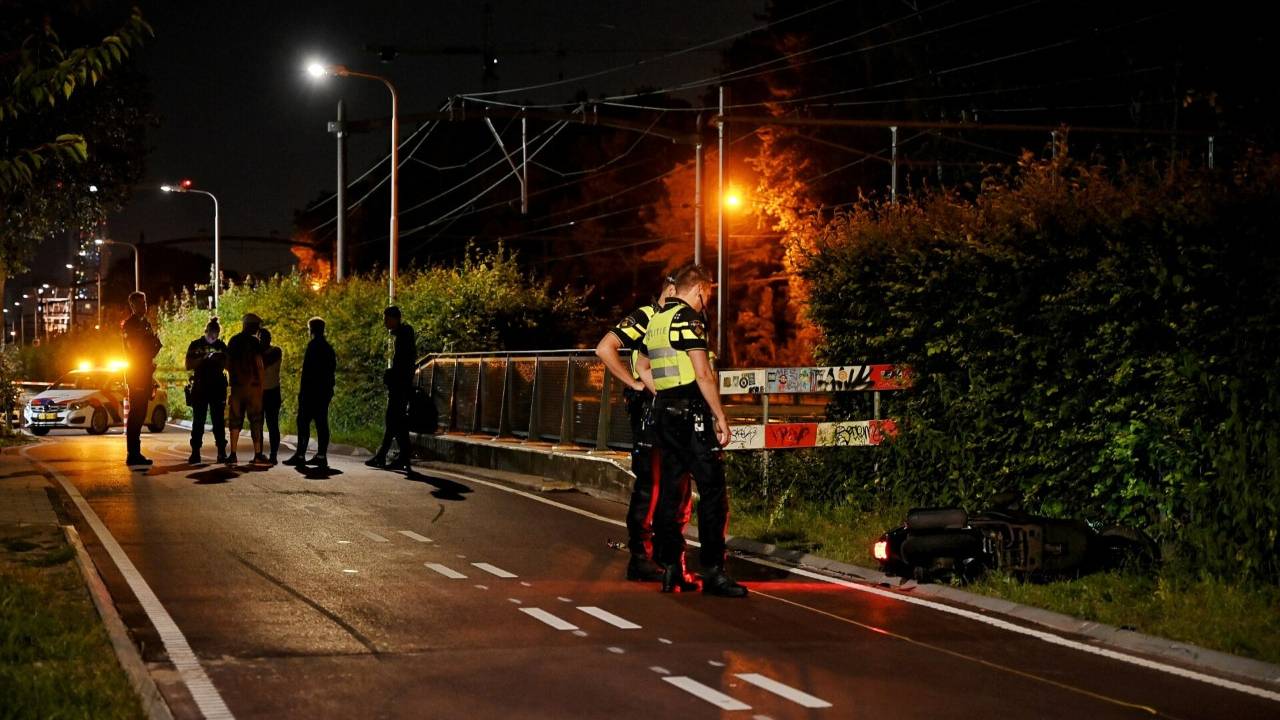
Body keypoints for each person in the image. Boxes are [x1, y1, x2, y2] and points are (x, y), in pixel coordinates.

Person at [637, 264, 747, 597]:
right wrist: (721, 416)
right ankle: (714, 571)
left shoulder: (656, 321)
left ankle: (672, 568)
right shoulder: (688, 319)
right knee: (713, 494)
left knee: (672, 494)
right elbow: (703, 374)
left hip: (664, 416)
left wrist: (662, 394)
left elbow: (642, 366)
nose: (706, 302)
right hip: (692, 416)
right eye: (707, 294)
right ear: (700, 289)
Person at [595, 274, 693, 583]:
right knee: (650, 485)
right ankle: (641, 556)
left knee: (676, 486)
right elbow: (605, 348)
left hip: (675, 412)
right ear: (672, 289)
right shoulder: (647, 316)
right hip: (650, 414)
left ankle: (667, 556)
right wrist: (634, 384)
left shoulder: (680, 320)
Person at [366, 306, 416, 471]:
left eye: (386, 318)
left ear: (395, 318)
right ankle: (402, 457)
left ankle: (384, 456)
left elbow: (403, 363)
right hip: (401, 385)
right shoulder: (403, 335)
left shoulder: (403, 336)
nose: (384, 322)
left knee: (393, 420)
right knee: (398, 422)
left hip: (400, 387)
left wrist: (393, 375)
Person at [283, 317, 337, 469]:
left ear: (311, 330)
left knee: (303, 422)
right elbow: (331, 371)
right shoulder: (328, 348)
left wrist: (303, 393)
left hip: (311, 392)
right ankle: (321, 455)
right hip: (324, 392)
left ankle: (300, 454)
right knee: (321, 423)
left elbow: (307, 373)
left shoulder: (313, 346)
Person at [120, 291, 162, 467]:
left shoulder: (145, 323)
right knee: (136, 413)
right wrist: (150, 343)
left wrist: (155, 345)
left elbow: (150, 346)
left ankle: (136, 452)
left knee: (142, 412)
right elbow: (136, 348)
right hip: (136, 372)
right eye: (140, 303)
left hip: (145, 371)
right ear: (133, 305)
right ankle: (133, 453)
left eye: (145, 303)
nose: (144, 306)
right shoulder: (130, 325)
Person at [225, 313, 268, 465]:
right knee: (255, 420)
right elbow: (259, 365)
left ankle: (233, 454)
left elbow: (227, 363)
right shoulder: (255, 343)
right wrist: (261, 386)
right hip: (253, 388)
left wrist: (234, 380)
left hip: (237, 388)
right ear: (253, 327)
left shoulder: (234, 341)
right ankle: (257, 454)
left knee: (235, 420)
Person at [184, 317, 228, 464]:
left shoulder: (221, 346)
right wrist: (202, 359)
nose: (213, 336)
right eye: (211, 332)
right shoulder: (196, 345)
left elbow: (229, 364)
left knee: (218, 422)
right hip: (200, 387)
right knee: (198, 421)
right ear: (206, 331)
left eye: (216, 333)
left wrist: (218, 359)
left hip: (217, 387)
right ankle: (195, 452)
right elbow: (188, 364)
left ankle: (221, 451)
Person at [259, 327, 283, 463]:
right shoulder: (258, 354)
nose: (262, 341)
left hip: (272, 391)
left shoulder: (275, 351)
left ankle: (273, 454)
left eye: (263, 338)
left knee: (272, 424)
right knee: (259, 424)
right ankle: (259, 453)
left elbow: (263, 363)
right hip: (260, 392)